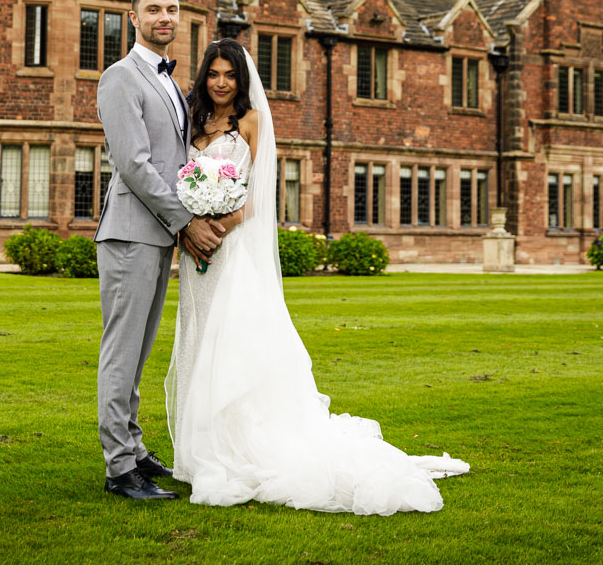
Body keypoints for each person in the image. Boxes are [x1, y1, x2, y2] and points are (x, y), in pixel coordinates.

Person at [164, 38, 470, 515]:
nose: (220, 83)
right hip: (197, 250)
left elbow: (259, 195)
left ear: (242, 82)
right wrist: (191, 228)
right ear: (203, 77)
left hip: (232, 247)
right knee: (199, 339)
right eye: (213, 74)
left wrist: (215, 227)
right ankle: (200, 450)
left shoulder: (253, 121)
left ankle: (237, 449)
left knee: (233, 343)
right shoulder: (193, 120)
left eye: (229, 75)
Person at [94, 0, 228, 501]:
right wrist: (185, 220)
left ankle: (133, 446)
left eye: (171, 9)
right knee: (121, 352)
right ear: (133, 17)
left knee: (140, 351)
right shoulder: (119, 77)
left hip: (156, 236)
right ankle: (119, 467)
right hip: (130, 234)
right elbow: (133, 164)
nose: (164, 18)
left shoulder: (171, 83)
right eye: (153, 10)